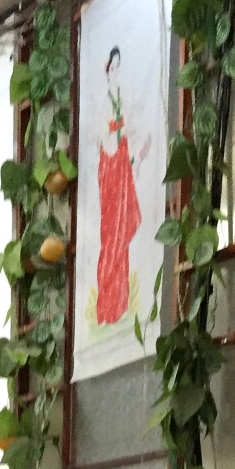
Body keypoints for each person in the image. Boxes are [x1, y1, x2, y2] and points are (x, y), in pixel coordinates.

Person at [96, 46, 144, 325]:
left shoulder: (122, 98)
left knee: (121, 232)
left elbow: (128, 129)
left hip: (122, 163)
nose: (117, 72)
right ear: (107, 71)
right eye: (113, 67)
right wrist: (120, 131)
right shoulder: (106, 101)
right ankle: (106, 304)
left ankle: (120, 302)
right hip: (110, 166)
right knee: (110, 233)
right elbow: (106, 134)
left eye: (119, 67)